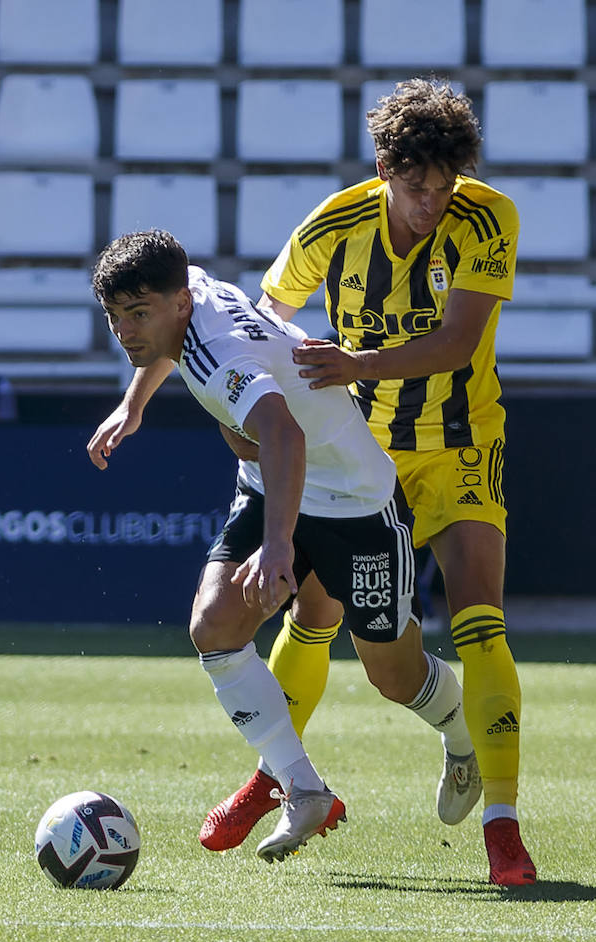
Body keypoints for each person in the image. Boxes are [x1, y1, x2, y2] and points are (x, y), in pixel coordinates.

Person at [88, 78, 536, 886]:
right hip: (346, 440)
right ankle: (287, 781)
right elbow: (257, 316)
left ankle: (500, 815)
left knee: (455, 639)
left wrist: (339, 370)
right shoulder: (333, 223)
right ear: (384, 168)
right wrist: (158, 402)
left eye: (444, 186)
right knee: (287, 623)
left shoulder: (486, 217)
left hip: (450, 444)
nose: (432, 202)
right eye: (416, 185)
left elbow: (461, 341)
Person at [90, 229, 481, 864]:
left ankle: (466, 742)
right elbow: (163, 344)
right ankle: (304, 790)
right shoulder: (189, 295)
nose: (126, 331)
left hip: (356, 502)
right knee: (214, 626)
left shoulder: (219, 355)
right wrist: (133, 406)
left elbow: (283, 433)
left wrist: (277, 547)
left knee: (394, 674)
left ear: (180, 302)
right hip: (273, 483)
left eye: (138, 314)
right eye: (115, 317)